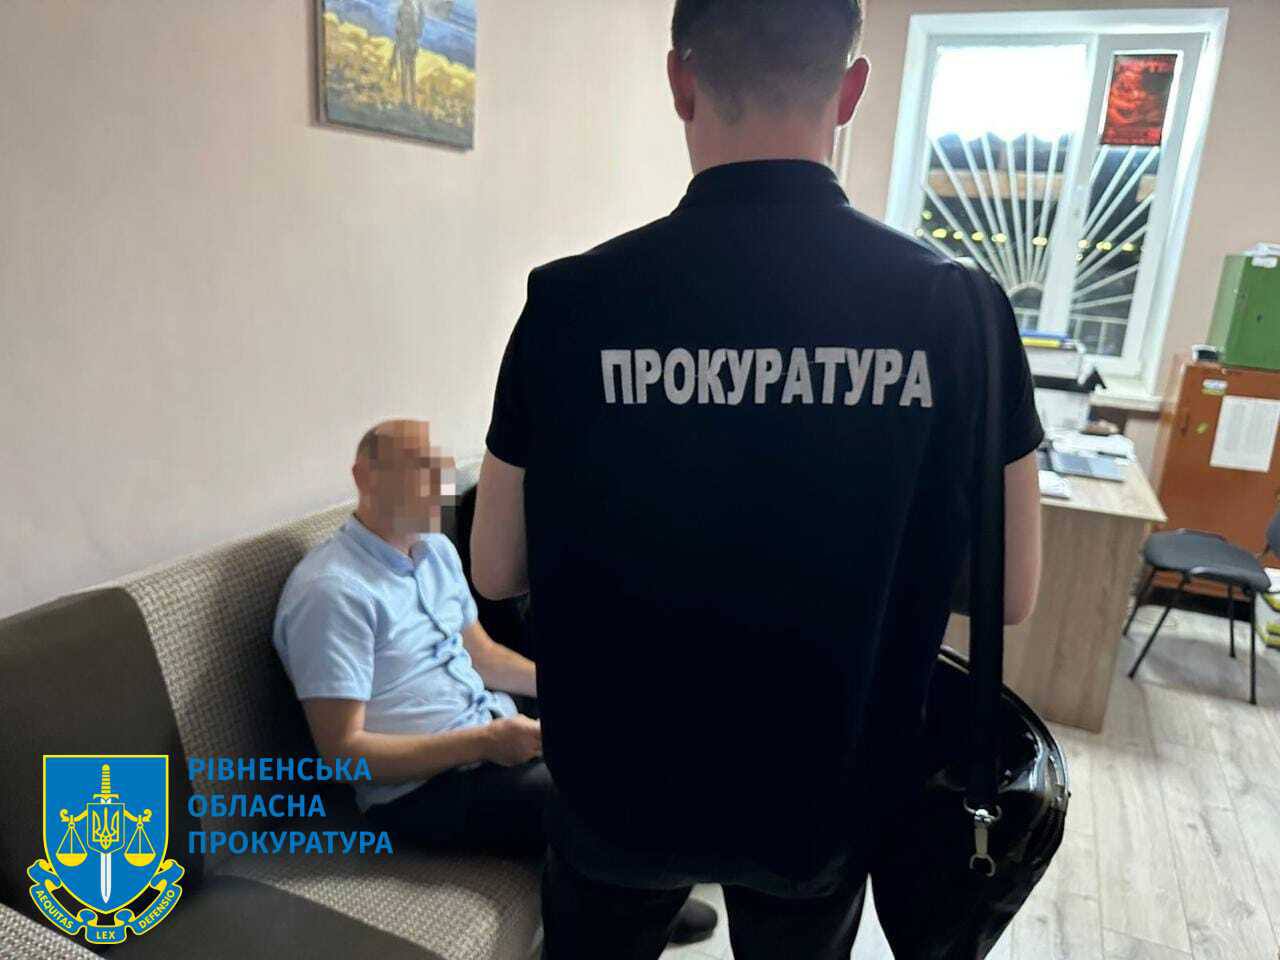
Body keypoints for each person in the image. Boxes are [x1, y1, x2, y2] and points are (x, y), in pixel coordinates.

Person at [469, 1, 1045, 957]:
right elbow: (1009, 590)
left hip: (615, 792)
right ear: (850, 92)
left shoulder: (567, 301)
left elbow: (495, 569)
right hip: (824, 794)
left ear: (680, 81)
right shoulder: (960, 309)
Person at [271, 419, 718, 946]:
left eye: (437, 468)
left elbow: (481, 655)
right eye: (416, 470)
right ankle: (624, 906)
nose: (437, 485)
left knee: (637, 738)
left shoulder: (433, 551)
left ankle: (635, 891)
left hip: (489, 728)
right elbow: (343, 753)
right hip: (420, 791)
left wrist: (575, 686)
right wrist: (485, 742)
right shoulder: (332, 592)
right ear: (363, 477)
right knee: (609, 793)